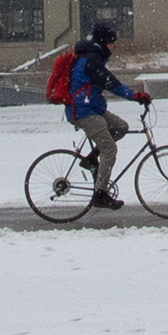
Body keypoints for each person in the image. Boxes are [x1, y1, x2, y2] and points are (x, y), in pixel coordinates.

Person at [64, 21, 152, 209]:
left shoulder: (94, 57)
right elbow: (112, 84)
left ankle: (91, 159)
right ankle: (100, 194)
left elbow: (109, 82)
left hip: (93, 109)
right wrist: (136, 95)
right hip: (82, 111)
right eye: (112, 42)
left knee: (121, 127)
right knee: (110, 150)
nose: (115, 45)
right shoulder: (92, 60)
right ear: (104, 42)